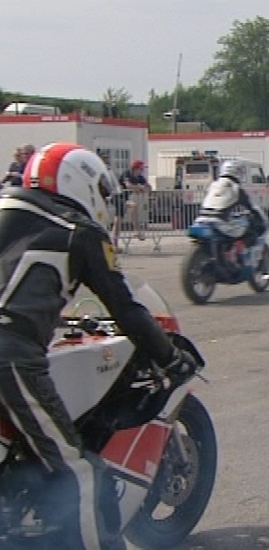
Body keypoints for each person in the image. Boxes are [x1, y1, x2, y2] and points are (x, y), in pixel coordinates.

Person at [0, 142, 199, 550]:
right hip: (9, 356)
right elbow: (125, 308)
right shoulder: (78, 232)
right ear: (82, 184)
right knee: (79, 474)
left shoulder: (7, 210)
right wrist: (170, 357)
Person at [197, 159, 268, 270]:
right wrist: (260, 220)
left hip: (201, 220)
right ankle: (235, 251)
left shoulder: (213, 185)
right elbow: (251, 207)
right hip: (219, 222)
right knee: (250, 233)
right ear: (237, 173)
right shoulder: (236, 188)